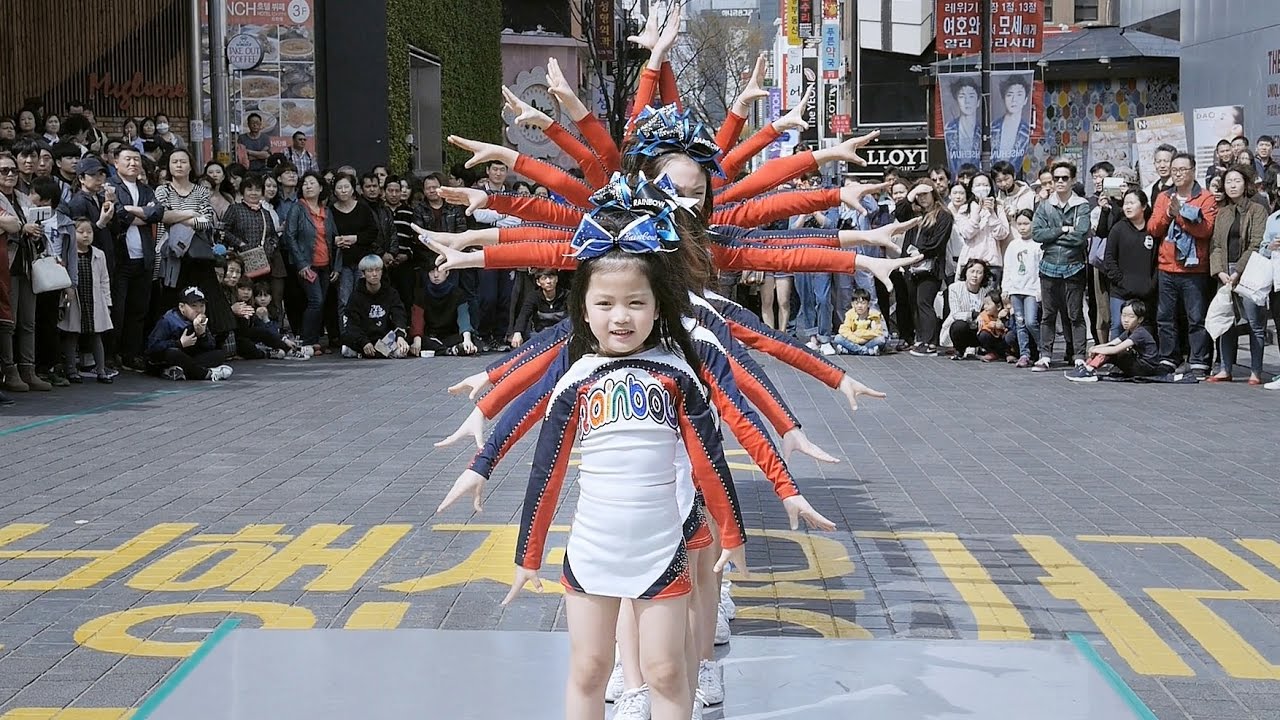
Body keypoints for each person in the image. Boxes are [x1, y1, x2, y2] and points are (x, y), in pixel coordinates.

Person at [440, 240, 746, 720]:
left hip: (661, 549)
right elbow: (548, 474)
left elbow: (709, 462)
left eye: (635, 303)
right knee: (589, 670)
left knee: (666, 671)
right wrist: (528, 557)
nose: (619, 317)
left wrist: (732, 534)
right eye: (604, 304)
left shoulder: (680, 374)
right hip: (591, 552)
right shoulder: (574, 381)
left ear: (658, 306)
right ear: (582, 311)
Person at [1148, 152, 1217, 376]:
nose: (1177, 174)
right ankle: (1168, 357)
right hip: (1167, 267)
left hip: (1194, 269)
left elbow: (1205, 230)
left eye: (1182, 170)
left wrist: (1180, 217)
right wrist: (1170, 213)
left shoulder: (1205, 197)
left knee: (1196, 317)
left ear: (1193, 171)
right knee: (1165, 317)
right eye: (1174, 169)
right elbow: (1153, 229)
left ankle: (1199, 360)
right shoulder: (1164, 197)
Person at [1207, 165, 1267, 384]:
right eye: (1228, 181)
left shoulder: (1257, 209)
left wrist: (1239, 271)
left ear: (1246, 184)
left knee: (1255, 323)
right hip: (1225, 273)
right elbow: (1216, 245)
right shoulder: (1223, 212)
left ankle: (1256, 371)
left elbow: (1257, 242)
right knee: (1225, 321)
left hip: (1249, 271)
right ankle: (1225, 368)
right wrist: (1220, 272)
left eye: (1237, 181)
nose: (1232, 185)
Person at [107, 146, 165, 371]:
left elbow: (157, 214)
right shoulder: (111, 186)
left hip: (144, 258)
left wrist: (132, 211)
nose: (133, 163)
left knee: (138, 310)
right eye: (127, 159)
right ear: (116, 163)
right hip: (121, 259)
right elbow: (118, 215)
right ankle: (112, 354)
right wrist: (141, 212)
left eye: (136, 159)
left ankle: (132, 354)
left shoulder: (147, 189)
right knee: (118, 311)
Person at [1030, 161, 1091, 371]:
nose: (1060, 182)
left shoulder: (1081, 205)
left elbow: (1081, 236)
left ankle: (1079, 355)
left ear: (1073, 180)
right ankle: (1045, 355)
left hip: (1073, 266)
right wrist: (1063, 229)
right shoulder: (1045, 206)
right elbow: (1036, 234)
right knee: (1048, 314)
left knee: (1074, 314)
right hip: (1048, 266)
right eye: (1056, 178)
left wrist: (1053, 237)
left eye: (1065, 178)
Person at [284, 170, 338, 350]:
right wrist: (301, 264)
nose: (307, 186)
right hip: (307, 265)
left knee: (320, 303)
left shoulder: (327, 211)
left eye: (312, 183)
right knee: (315, 301)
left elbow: (334, 239)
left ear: (321, 187)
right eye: (305, 183)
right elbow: (289, 236)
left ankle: (314, 341)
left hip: (325, 264)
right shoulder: (298, 208)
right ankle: (306, 341)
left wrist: (335, 267)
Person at [900, 181, 954, 356]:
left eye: (925, 193)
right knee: (914, 303)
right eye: (919, 195)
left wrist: (920, 252)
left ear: (933, 193)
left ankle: (930, 342)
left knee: (925, 302)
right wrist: (910, 194)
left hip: (931, 266)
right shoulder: (914, 213)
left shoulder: (943, 215)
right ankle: (920, 338)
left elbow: (939, 243)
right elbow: (899, 213)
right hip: (911, 266)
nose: (922, 198)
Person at [57, 217, 113, 383]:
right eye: (81, 232)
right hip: (75, 298)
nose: (86, 235)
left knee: (97, 335)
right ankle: (71, 370)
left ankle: (101, 370)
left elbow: (105, 280)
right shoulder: (67, 253)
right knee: (72, 334)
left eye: (89, 232)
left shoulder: (99, 255)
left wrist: (107, 302)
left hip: (94, 300)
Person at [144, 286, 233, 381]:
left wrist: (202, 335)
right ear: (182, 307)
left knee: (219, 354)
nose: (199, 310)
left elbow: (210, 346)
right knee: (173, 353)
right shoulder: (168, 320)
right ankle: (205, 374)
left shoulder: (200, 319)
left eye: (202, 306)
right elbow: (152, 347)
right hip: (165, 359)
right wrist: (179, 343)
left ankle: (177, 371)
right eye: (194, 306)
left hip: (188, 358)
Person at [1103, 189, 1158, 341]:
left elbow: (1158, 261)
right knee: (1118, 326)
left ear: (1144, 206)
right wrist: (1121, 281)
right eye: (1125, 203)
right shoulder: (1118, 229)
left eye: (1132, 203)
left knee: (1145, 328)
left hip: (1146, 291)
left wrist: (1152, 284)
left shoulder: (1152, 230)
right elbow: (1109, 259)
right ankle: (1115, 360)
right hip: (1121, 291)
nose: (1127, 207)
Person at [1064, 300, 1162, 382]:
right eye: (1124, 316)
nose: (1126, 320)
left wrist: (1098, 350)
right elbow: (1112, 343)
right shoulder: (1129, 331)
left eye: (1131, 317)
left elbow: (1116, 349)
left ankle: (1088, 370)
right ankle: (1086, 367)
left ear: (1140, 319)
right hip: (1139, 363)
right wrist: (1096, 347)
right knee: (1106, 349)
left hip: (1147, 368)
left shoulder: (1140, 333)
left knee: (1112, 352)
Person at [341, 255, 410, 358]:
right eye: (370, 271)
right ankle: (372, 352)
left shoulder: (391, 293)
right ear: (363, 274)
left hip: (384, 338)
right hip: (364, 338)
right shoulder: (356, 296)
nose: (374, 274)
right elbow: (351, 323)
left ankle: (366, 354)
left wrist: (400, 336)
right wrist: (364, 342)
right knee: (347, 340)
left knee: (402, 351)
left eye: (378, 270)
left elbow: (399, 315)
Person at [1002, 209, 1042, 367]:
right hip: (1016, 290)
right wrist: (1006, 288)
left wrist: (1040, 290)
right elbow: (1008, 267)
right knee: (1020, 323)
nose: (1023, 227)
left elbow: (1041, 269)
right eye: (1019, 224)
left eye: (1026, 223)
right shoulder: (1013, 245)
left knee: (1031, 322)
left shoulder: (1038, 245)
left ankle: (1042, 349)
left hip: (1031, 290)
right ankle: (1024, 354)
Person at [411, 264, 478, 356]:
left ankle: (449, 349)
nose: (435, 275)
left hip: (449, 335)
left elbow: (463, 318)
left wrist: (467, 340)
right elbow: (418, 319)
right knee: (416, 340)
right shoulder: (421, 294)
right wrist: (417, 340)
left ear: (447, 272)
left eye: (439, 271)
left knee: (471, 339)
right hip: (430, 336)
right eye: (431, 272)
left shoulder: (457, 294)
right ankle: (452, 350)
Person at [941, 259, 992, 358]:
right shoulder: (954, 288)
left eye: (979, 272)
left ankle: (982, 348)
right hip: (961, 326)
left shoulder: (986, 291)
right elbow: (955, 313)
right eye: (972, 271)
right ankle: (959, 349)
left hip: (979, 327)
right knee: (959, 325)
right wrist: (975, 314)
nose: (975, 276)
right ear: (966, 272)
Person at [511, 268, 567, 347]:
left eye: (551, 277)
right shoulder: (533, 297)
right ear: (538, 282)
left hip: (562, 335)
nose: (548, 281)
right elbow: (524, 315)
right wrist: (517, 332)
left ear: (556, 279)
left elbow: (574, 318)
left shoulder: (567, 296)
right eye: (544, 278)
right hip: (540, 335)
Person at [991, 75, 1031, 169]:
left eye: (1019, 94)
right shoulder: (992, 128)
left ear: (1025, 100)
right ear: (1003, 98)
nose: (1014, 100)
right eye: (1009, 95)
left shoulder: (1028, 131)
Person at [944, 77, 981, 175]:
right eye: (962, 96)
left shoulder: (984, 131)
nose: (967, 101)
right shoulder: (948, 130)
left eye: (971, 96)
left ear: (978, 102)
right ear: (957, 100)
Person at [832, 288, 885, 355]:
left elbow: (877, 333)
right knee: (838, 338)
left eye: (863, 303)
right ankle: (866, 351)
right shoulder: (850, 314)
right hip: (853, 340)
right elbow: (843, 330)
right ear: (852, 304)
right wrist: (856, 339)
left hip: (868, 341)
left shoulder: (874, 315)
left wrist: (859, 335)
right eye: (857, 303)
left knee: (881, 340)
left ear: (868, 304)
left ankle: (850, 350)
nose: (860, 306)